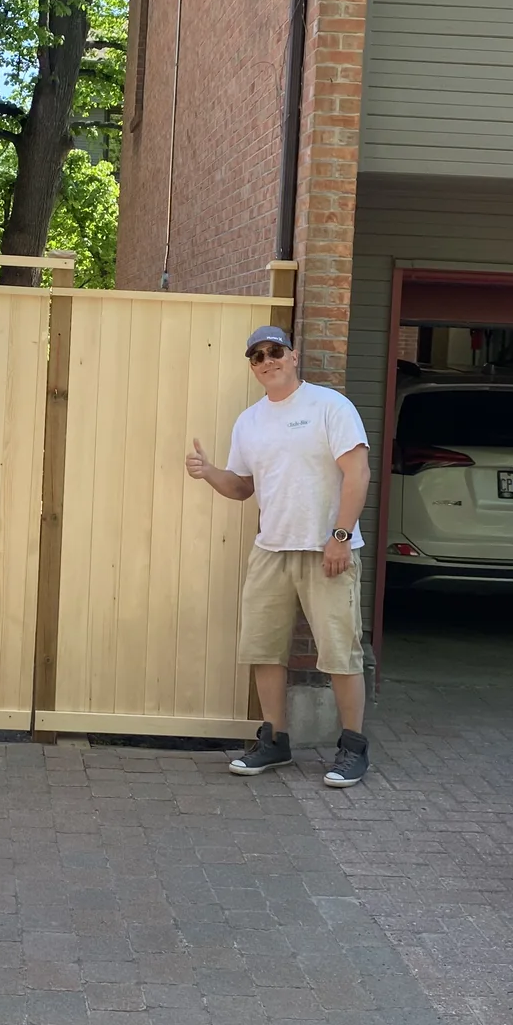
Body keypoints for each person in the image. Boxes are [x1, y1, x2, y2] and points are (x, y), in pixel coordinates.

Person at [185, 324, 372, 787]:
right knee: (264, 649)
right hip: (271, 549)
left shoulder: (330, 406)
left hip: (327, 548)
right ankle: (275, 742)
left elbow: (358, 473)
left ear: (293, 355)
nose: (266, 361)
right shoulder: (249, 421)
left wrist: (341, 536)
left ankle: (352, 749)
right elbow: (243, 486)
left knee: (340, 653)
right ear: (252, 367)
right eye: (256, 357)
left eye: (274, 352)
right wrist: (209, 472)